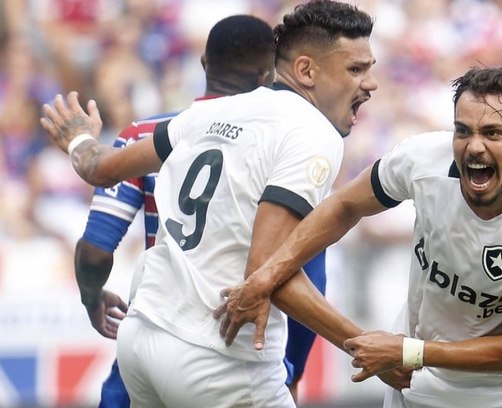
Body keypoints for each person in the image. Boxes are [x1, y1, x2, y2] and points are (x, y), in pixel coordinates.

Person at [40, 1, 408, 406]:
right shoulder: (311, 133)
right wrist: (362, 345)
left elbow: (101, 168)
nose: (371, 83)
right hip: (216, 356)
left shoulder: (210, 113)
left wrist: (78, 138)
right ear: (306, 70)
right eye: (356, 69)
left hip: (141, 339)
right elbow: (264, 274)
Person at [215, 67, 502, 408]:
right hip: (413, 388)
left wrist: (410, 351)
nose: (474, 146)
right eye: (463, 131)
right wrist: (265, 276)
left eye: (492, 133)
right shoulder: (422, 159)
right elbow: (346, 206)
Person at [73, 14, 281, 407]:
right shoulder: (279, 144)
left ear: (203, 64)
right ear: (267, 76)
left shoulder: (144, 135)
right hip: (229, 349)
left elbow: (96, 250)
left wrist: (92, 297)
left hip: (151, 332)